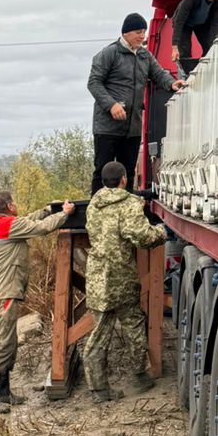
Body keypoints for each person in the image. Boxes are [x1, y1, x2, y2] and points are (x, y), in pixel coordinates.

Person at [0, 192, 73, 416]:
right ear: (9, 206)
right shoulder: (8, 225)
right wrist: (64, 215)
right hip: (3, 295)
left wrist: (48, 209)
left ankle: (2, 394)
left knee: (8, 342)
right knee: (3, 345)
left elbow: (29, 219)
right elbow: (42, 228)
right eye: (14, 202)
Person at [80, 163, 166, 403]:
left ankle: (98, 389)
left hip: (98, 276)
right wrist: (161, 231)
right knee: (133, 323)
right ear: (124, 180)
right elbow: (141, 236)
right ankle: (139, 376)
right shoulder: (128, 204)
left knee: (99, 333)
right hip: (121, 276)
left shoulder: (94, 203)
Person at [86, 13, 185, 194]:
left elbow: (159, 73)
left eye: (144, 32)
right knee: (103, 172)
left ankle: (126, 214)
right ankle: (97, 216)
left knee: (128, 173)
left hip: (132, 126)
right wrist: (111, 105)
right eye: (138, 32)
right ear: (126, 33)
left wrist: (171, 83)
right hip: (107, 127)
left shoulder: (144, 56)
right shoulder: (109, 54)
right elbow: (93, 83)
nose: (142, 36)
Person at [170, 0, 218, 75]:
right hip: (185, 22)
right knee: (184, 51)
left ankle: (205, 72)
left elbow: (216, 21)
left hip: (201, 23)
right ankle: (185, 77)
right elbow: (179, 21)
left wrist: (212, 41)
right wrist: (174, 46)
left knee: (210, 47)